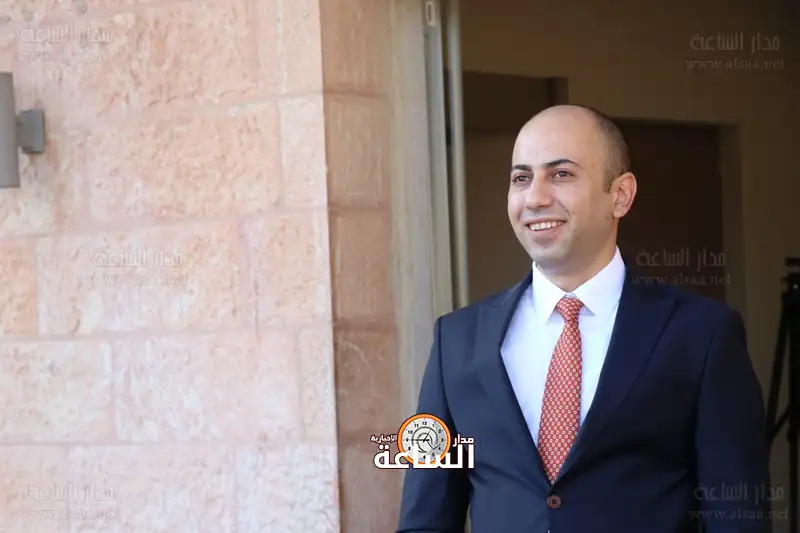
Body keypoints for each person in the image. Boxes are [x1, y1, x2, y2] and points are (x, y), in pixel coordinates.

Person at [396, 105, 772, 533]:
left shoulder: (701, 334)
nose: (535, 198)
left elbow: (737, 518)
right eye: (521, 178)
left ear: (621, 195)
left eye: (561, 174)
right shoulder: (455, 340)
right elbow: (424, 518)